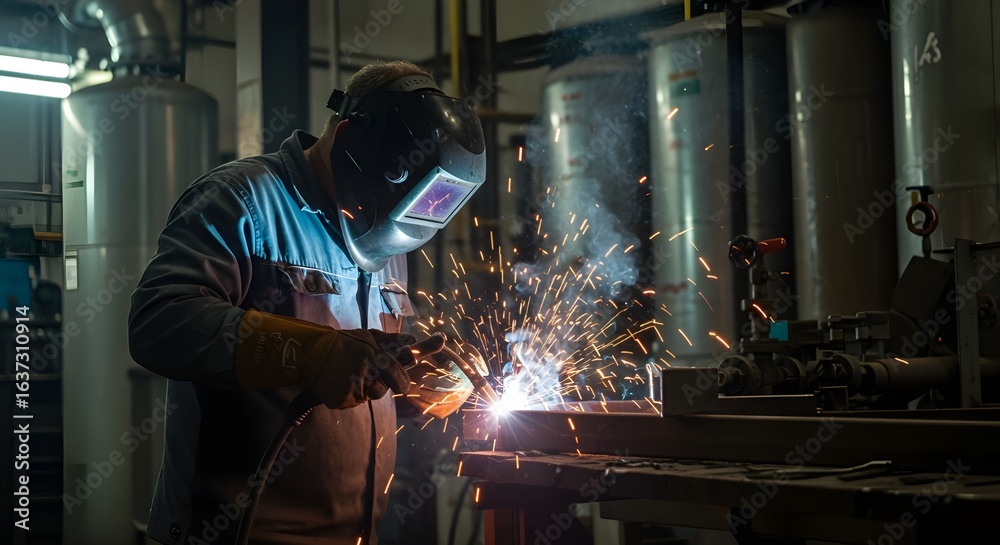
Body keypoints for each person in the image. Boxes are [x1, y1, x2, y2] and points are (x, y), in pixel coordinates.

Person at [128, 60, 486, 545]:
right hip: (238, 535)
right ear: (348, 140)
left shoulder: (386, 238)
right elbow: (159, 320)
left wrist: (416, 382)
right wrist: (312, 353)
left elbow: (355, 378)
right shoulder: (242, 200)